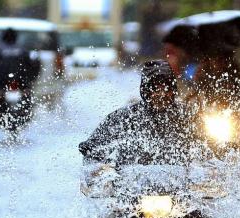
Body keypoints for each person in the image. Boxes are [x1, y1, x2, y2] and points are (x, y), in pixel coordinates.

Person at [79, 60, 208, 166]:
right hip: (130, 188)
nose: (161, 94)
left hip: (181, 189)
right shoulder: (125, 117)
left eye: (166, 87)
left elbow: (211, 148)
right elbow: (94, 146)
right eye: (155, 88)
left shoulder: (189, 115)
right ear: (145, 91)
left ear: (173, 90)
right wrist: (98, 161)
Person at [0, 28, 40, 122]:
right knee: (28, 92)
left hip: (2, 81)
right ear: (16, 38)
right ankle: (27, 113)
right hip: (21, 80)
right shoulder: (23, 49)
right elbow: (31, 65)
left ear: (3, 37)